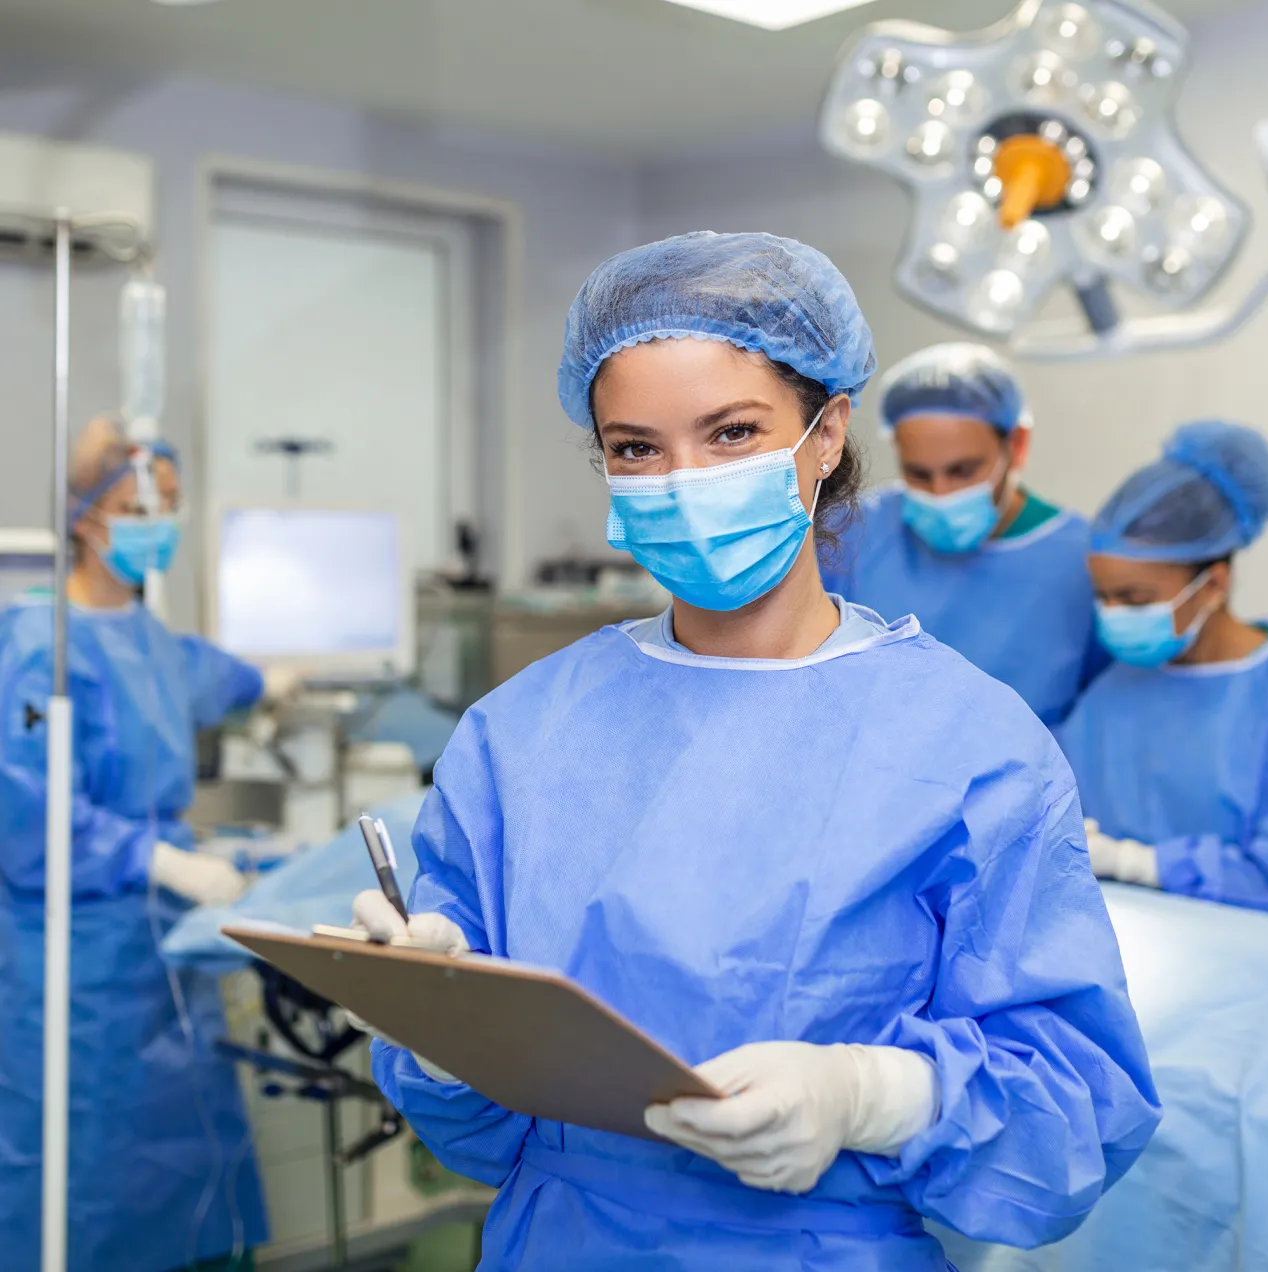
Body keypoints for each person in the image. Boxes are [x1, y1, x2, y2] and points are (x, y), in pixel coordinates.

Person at [353, 232, 1159, 1269]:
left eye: (732, 434)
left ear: (826, 435)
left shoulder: (969, 744)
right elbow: (473, 1137)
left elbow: (1075, 1111)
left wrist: (871, 1096)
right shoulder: (520, 734)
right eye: (637, 448)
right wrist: (438, 1030)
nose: (682, 481)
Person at [0, 417, 270, 1271]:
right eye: (135, 507)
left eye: (171, 507)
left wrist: (285, 678)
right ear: (84, 517)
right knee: (80, 1168)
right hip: (73, 965)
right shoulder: (34, 649)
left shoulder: (153, 640)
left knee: (177, 1150)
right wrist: (161, 859)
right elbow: (25, 809)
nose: (158, 524)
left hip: (163, 952)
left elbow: (221, 678)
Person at [820, 343, 1106, 726]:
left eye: (963, 471)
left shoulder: (1082, 560)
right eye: (919, 474)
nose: (940, 494)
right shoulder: (854, 531)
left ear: (1016, 446)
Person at [1058, 420, 1268, 910]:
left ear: (1214, 585)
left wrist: (1134, 863)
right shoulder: (1112, 692)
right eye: (1103, 597)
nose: (1113, 616)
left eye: (1134, 599)